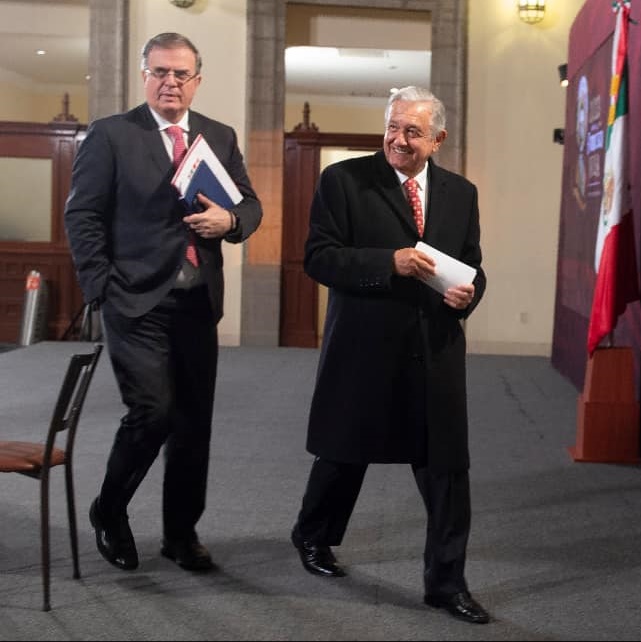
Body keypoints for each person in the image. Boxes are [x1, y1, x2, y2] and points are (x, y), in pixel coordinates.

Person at [290, 86, 489, 624]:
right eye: (393, 127)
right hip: (365, 346)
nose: (398, 140)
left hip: (436, 349)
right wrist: (389, 262)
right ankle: (312, 537)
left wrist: (469, 294)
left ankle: (447, 583)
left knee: (447, 469)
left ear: (438, 139)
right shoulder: (344, 180)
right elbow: (319, 258)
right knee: (343, 453)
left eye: (412, 131)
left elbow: (473, 267)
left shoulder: (461, 194)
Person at [64, 32, 262, 573]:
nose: (170, 82)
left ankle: (180, 534)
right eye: (159, 72)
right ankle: (110, 509)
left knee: (194, 423)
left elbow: (248, 202)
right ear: (144, 76)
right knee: (152, 412)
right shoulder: (110, 135)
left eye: (180, 74)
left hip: (197, 300)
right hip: (134, 300)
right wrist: (100, 289)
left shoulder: (218, 136)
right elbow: (81, 216)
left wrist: (232, 221)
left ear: (197, 80)